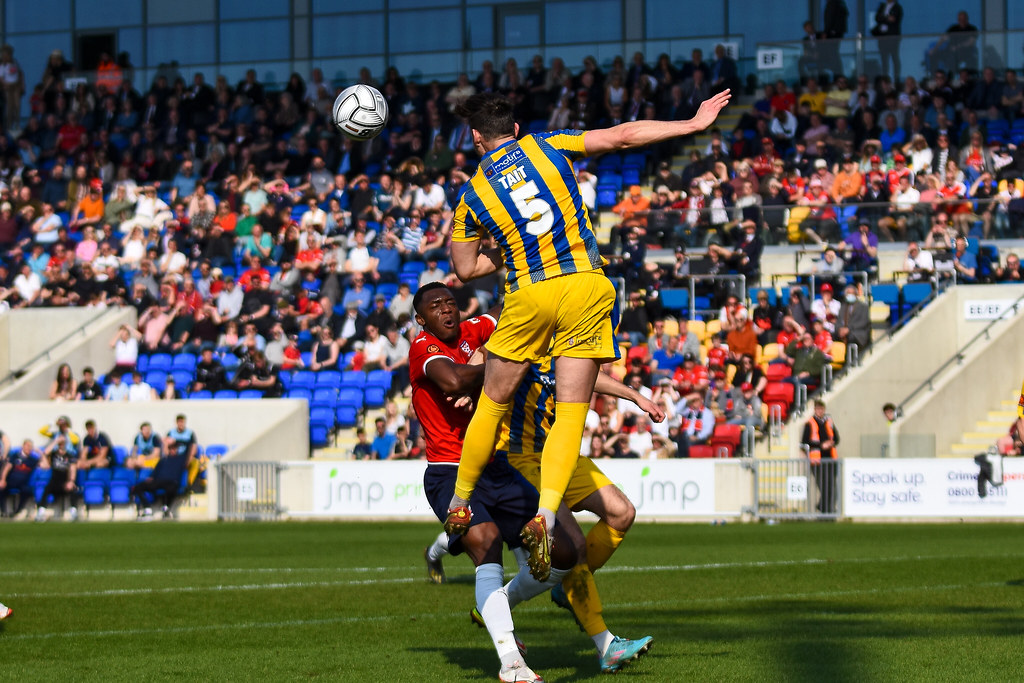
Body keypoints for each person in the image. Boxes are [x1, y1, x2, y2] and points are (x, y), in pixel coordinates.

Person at [444, 89, 731, 579]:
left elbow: (465, 269)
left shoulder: (472, 194)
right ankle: (546, 515)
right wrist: (691, 124)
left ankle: (460, 501)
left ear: (476, 138)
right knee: (572, 415)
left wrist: (508, 250)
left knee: (493, 401)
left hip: (529, 294)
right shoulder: (547, 144)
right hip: (585, 287)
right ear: (515, 130)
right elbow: (621, 137)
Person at [412, 283, 653, 677]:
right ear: (421, 318)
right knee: (497, 545)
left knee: (616, 517)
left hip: (548, 454)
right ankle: (578, 647)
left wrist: (634, 396)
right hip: (508, 458)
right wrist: (481, 379)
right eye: (436, 306)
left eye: (450, 302)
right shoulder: (471, 343)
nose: (447, 310)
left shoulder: (508, 326)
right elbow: (459, 377)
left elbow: (574, 370)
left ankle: (540, 591)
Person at [132, 430, 193, 520]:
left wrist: (174, 440)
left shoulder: (181, 459)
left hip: (171, 482)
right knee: (137, 487)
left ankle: (166, 508)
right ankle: (147, 509)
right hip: (158, 481)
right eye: (171, 448)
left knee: (173, 488)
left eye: (174, 448)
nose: (172, 450)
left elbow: (188, 444)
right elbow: (156, 471)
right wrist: (151, 477)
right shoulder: (163, 459)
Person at [802, 399, 839, 513]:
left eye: (821, 409)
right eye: (818, 409)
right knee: (823, 486)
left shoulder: (829, 422)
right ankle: (825, 509)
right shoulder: (810, 423)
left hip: (830, 459)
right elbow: (805, 441)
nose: (820, 411)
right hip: (817, 460)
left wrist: (831, 443)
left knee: (830, 486)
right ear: (814, 410)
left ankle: (823, 508)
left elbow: (836, 438)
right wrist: (821, 445)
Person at [36, 434, 80, 521]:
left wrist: (71, 481)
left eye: (63, 443)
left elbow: (72, 469)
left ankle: (73, 512)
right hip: (54, 481)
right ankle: (41, 512)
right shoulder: (53, 454)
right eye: (60, 443)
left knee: (73, 489)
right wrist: (55, 441)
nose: (61, 444)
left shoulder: (70, 455)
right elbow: (45, 452)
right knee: (46, 489)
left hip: (65, 481)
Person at [0, 439, 39, 519]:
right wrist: (3, 480)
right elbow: (7, 468)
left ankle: (18, 511)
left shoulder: (32, 460)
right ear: (23, 446)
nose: (29, 448)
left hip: (23, 483)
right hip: (12, 481)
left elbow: (45, 465)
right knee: (1, 489)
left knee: (27, 491)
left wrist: (38, 451)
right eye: (27, 446)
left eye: (30, 447)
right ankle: (3, 511)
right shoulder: (15, 456)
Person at [872, 1, 902, 83]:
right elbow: (877, 18)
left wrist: (883, 18)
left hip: (892, 38)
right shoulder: (882, 6)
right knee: (884, 59)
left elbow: (893, 19)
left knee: (894, 57)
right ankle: (885, 78)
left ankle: (896, 79)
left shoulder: (897, 7)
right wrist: (886, 18)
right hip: (882, 37)